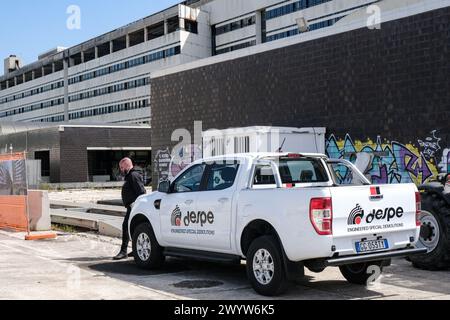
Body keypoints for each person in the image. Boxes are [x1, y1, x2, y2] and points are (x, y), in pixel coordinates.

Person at [113, 158, 147, 260]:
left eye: (122, 167)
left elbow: (141, 192)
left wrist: (137, 206)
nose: (121, 170)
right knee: (130, 228)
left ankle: (123, 252)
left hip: (134, 207)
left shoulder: (133, 175)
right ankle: (135, 250)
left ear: (127, 165)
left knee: (126, 227)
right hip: (132, 206)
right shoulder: (130, 176)